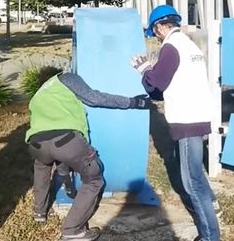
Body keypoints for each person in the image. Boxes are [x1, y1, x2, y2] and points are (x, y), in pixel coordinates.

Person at [26, 66, 151, 241]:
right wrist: (133, 102)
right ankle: (72, 230)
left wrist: (66, 179)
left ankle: (39, 212)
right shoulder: (64, 78)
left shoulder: (38, 94)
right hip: (66, 140)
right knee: (94, 179)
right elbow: (93, 98)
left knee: (42, 169)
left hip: (36, 143)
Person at [130, 4, 220, 241]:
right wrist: (150, 72)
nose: (156, 38)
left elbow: (156, 85)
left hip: (187, 120)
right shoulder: (189, 45)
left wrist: (143, 69)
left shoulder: (171, 47)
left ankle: (210, 236)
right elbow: (163, 89)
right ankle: (212, 206)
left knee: (192, 184)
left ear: (159, 27)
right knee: (195, 176)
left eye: (154, 32)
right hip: (198, 116)